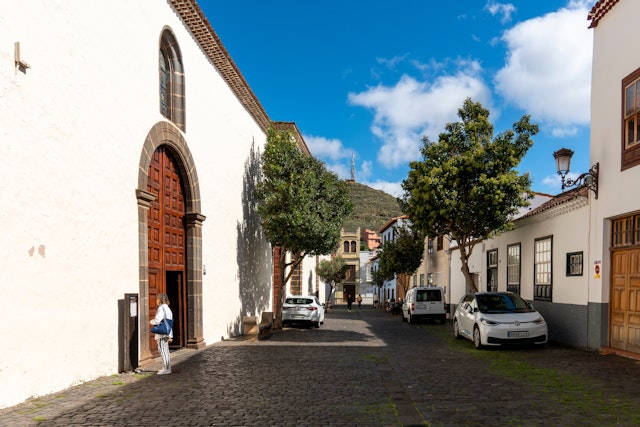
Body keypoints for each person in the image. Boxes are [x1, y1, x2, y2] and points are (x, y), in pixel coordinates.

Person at [150, 292, 173, 375]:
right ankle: (166, 367)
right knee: (165, 350)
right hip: (166, 332)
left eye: (157, 298)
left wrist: (151, 321)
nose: (156, 300)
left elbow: (157, 320)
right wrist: (170, 335)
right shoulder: (168, 308)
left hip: (161, 333)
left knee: (162, 350)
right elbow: (170, 322)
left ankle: (167, 368)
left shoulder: (161, 308)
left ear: (160, 299)